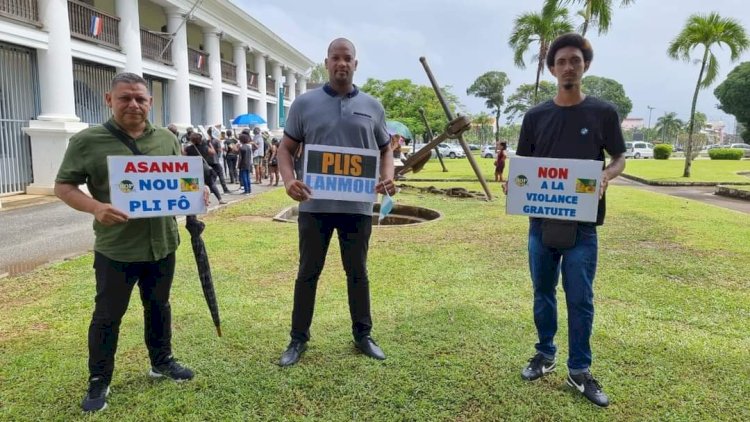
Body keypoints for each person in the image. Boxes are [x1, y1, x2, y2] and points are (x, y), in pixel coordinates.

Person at [54, 72, 196, 413]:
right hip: (116, 248)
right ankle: (99, 379)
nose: (133, 104)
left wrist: (196, 192)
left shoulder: (166, 139)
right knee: (107, 316)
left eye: (140, 99)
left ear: (150, 102)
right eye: (125, 98)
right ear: (109, 100)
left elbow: (182, 183)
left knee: (159, 306)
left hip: (162, 244)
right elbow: (64, 186)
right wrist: (95, 207)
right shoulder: (87, 141)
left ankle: (161, 361)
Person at [504, 33, 626, 408]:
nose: (568, 67)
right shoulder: (535, 116)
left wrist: (606, 176)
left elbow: (620, 157)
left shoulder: (603, 113)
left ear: (585, 65)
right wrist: (515, 184)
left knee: (580, 297)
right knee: (543, 293)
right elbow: (524, 167)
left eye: (575, 60)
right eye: (561, 62)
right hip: (540, 224)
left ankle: (579, 370)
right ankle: (544, 354)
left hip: (583, 226)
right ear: (552, 68)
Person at [275, 37, 396, 367]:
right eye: (335, 58)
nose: (341, 63)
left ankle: (363, 335)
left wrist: (388, 176)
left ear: (355, 64)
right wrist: (288, 181)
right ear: (326, 63)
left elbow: (386, 149)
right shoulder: (304, 104)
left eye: (348, 58)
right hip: (314, 206)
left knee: (357, 272)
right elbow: (285, 149)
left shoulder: (373, 106)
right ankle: (298, 339)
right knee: (307, 273)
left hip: (357, 208)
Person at [184, 132, 227, 204]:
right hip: (204, 167)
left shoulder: (188, 148)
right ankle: (220, 199)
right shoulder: (205, 147)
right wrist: (209, 144)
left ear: (192, 140)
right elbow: (213, 152)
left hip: (193, 168)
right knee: (211, 184)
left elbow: (183, 154)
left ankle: (194, 201)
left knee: (193, 184)